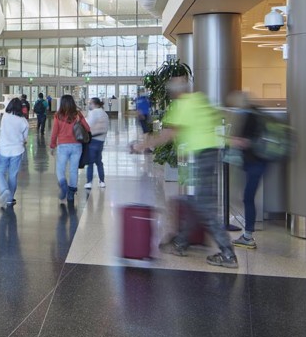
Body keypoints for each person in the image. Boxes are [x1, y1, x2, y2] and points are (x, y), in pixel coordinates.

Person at [131, 76, 238, 269]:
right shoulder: (200, 99)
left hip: (203, 154)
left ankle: (228, 253)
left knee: (204, 205)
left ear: (175, 92)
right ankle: (181, 242)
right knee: (198, 201)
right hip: (212, 152)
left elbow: (168, 134)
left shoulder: (181, 105)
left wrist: (142, 145)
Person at [227, 91, 266, 250]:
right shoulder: (257, 114)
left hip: (254, 163)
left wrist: (230, 140)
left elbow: (244, 142)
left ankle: (248, 236)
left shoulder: (249, 117)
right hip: (259, 162)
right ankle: (248, 234)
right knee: (247, 197)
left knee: (248, 198)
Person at [49, 94, 90, 205]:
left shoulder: (58, 115)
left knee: (60, 168)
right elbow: (87, 128)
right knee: (73, 169)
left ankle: (63, 185)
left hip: (63, 146)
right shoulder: (77, 114)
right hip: (77, 146)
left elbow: (54, 132)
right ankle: (71, 192)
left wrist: (52, 146)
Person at [0, 98, 30, 208]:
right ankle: (10, 198)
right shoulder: (23, 121)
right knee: (13, 175)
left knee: (0, 172)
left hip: (2, 149)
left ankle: (4, 190)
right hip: (17, 151)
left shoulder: (1, 117)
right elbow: (25, 138)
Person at [83, 97, 109, 189]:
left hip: (93, 140)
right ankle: (102, 181)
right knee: (99, 162)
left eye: (90, 103)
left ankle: (89, 182)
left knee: (90, 162)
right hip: (101, 141)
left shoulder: (94, 112)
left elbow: (87, 124)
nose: (89, 105)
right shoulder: (105, 114)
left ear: (95, 104)